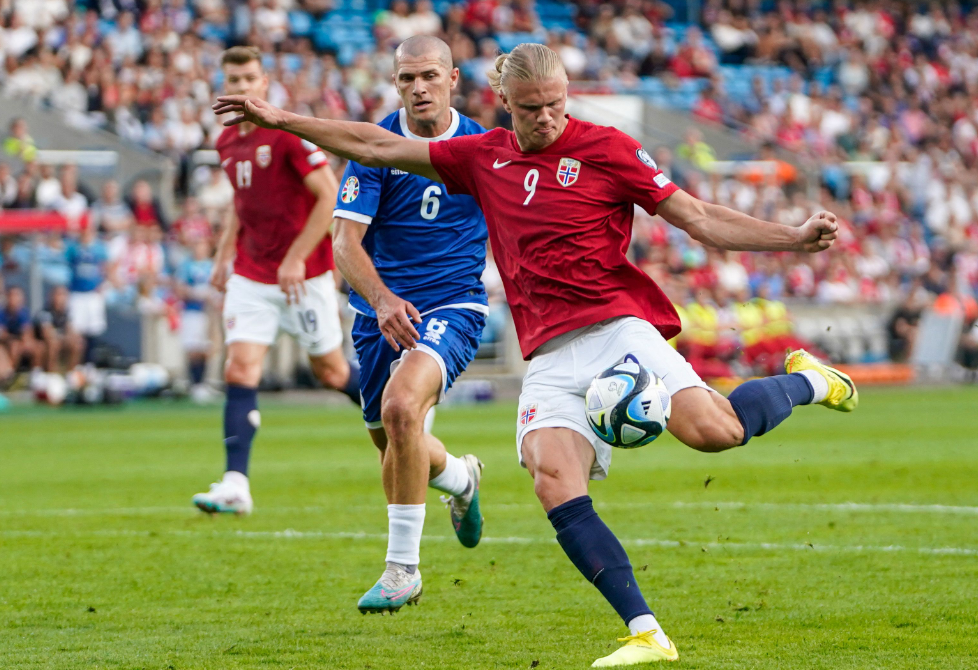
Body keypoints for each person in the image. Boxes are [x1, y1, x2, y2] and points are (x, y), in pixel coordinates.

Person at [214, 43, 858, 666]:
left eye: (554, 104)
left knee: (717, 432)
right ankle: (646, 632)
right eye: (529, 108)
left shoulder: (608, 148)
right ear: (503, 102)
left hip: (616, 330)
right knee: (551, 480)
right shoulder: (482, 157)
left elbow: (699, 219)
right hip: (547, 355)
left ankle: (808, 381)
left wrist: (794, 238)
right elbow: (379, 145)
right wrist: (284, 119)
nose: (545, 117)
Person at [331, 36, 488, 614]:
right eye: (405, 79)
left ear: (452, 79)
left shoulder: (483, 148)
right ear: (395, 83)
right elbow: (345, 242)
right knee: (393, 441)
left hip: (453, 306)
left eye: (428, 76)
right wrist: (381, 298)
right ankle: (461, 480)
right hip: (381, 314)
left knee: (401, 410)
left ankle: (403, 571)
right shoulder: (376, 147)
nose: (417, 87)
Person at [192, 46, 360, 516]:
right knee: (239, 368)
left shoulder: (287, 134)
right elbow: (242, 202)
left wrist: (295, 257)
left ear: (264, 84)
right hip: (252, 273)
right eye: (233, 79)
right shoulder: (226, 140)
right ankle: (235, 484)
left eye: (249, 78)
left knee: (332, 372)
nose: (242, 87)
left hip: (303, 276)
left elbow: (330, 198)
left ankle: (400, 409)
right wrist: (225, 253)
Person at [176, 239, 215, 400]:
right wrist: (196, 293)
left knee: (207, 348)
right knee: (193, 348)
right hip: (192, 311)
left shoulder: (212, 265)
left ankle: (203, 383)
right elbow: (179, 288)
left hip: (209, 312)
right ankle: (194, 383)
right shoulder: (186, 266)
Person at [35, 285, 84, 373]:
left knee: (77, 343)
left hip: (60, 339)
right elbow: (47, 333)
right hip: (45, 342)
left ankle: (71, 373)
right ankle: (51, 374)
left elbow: (71, 331)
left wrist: (70, 338)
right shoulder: (45, 312)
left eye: (64, 295)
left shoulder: (67, 313)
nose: (61, 298)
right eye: (58, 295)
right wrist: (62, 337)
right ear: (51, 296)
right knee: (53, 344)